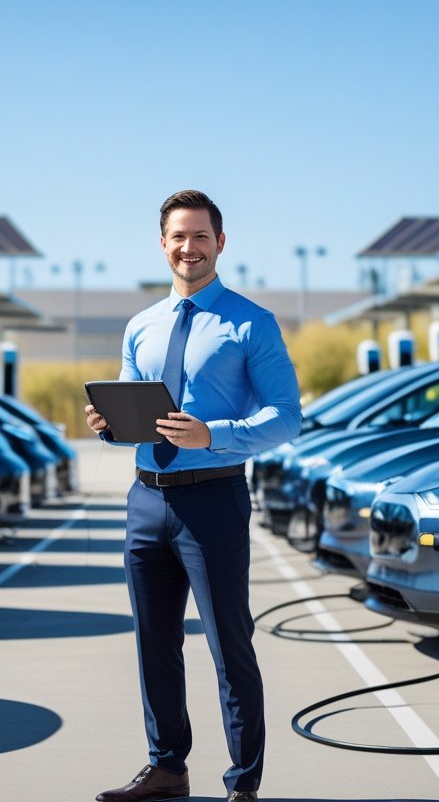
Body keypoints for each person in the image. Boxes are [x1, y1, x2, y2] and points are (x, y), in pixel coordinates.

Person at [85, 190, 301, 802]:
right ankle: (167, 766)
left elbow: (288, 418)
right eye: (178, 236)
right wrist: (108, 425)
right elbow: (131, 407)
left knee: (230, 645)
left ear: (220, 243)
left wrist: (215, 435)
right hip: (146, 500)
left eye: (201, 236)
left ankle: (243, 785)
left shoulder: (250, 321)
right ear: (163, 243)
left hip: (213, 502)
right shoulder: (141, 325)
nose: (189, 247)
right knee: (154, 641)